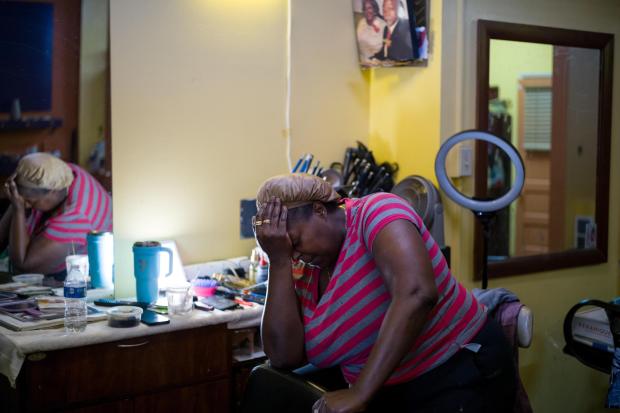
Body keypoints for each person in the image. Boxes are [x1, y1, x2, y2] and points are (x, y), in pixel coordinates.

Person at [255, 173, 516, 412]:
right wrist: (278, 261)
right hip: (388, 393)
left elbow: (417, 293)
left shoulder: (378, 211)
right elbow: (282, 357)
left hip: (456, 373)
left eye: (296, 241)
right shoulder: (301, 268)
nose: (295, 256)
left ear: (320, 210)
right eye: (285, 250)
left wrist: (360, 393)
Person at [0, 153, 112, 279]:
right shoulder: (63, 172)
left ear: (52, 192)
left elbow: (23, 266)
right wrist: (15, 200)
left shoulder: (75, 218)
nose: (26, 206)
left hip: (78, 278)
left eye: (30, 202)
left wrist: (18, 209)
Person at [356, 0, 386, 65]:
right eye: (365, 9)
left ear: (375, 9)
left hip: (377, 62)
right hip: (362, 62)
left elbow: (385, 49)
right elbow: (358, 43)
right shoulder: (361, 23)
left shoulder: (383, 25)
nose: (367, 11)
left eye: (370, 8)